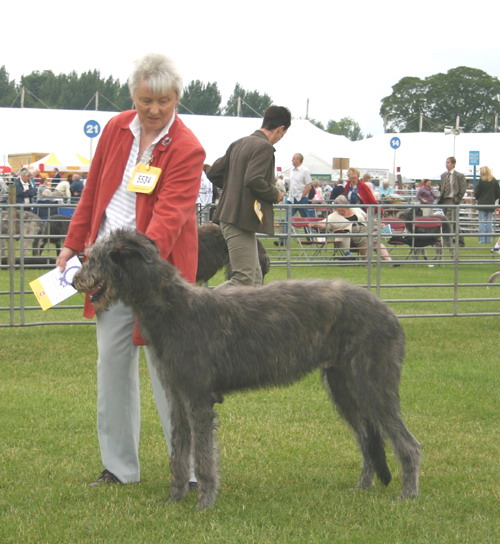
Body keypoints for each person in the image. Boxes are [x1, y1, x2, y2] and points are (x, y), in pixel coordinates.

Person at [56, 53, 205, 488]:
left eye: (163, 100)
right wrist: (71, 243)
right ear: (133, 97)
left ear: (177, 98)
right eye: (146, 100)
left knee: (171, 375)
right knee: (112, 367)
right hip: (109, 272)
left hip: (158, 277)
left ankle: (191, 470)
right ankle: (119, 469)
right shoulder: (116, 128)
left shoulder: (187, 147)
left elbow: (170, 217)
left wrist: (128, 261)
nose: (155, 109)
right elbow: (94, 195)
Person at [207, 105, 290, 287]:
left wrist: (233, 189)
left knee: (255, 279)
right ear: (280, 129)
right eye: (282, 135)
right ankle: (201, 308)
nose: (280, 138)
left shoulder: (239, 143)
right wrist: (275, 193)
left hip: (236, 218)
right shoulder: (264, 147)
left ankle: (254, 316)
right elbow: (254, 180)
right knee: (243, 279)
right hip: (239, 219)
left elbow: (213, 172)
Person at [312, 195, 397, 264]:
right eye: (337, 207)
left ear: (347, 205)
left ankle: (389, 262)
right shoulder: (333, 216)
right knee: (366, 240)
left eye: (341, 207)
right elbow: (324, 223)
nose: (339, 209)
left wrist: (378, 223)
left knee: (376, 241)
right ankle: (367, 262)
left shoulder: (356, 209)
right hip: (351, 233)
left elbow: (367, 218)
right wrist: (314, 224)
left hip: (365, 229)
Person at [438, 156, 467, 246]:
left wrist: (456, 200)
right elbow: (442, 188)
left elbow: (462, 189)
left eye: (448, 162)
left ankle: (447, 241)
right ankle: (460, 241)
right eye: (446, 162)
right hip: (444, 201)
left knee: (449, 221)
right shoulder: (443, 175)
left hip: (452, 200)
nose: (446, 164)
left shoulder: (459, 176)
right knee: (453, 221)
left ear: (453, 164)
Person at [474, 167, 499, 244]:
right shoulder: (494, 180)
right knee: (489, 222)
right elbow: (498, 192)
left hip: (481, 204)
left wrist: (478, 198)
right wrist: (493, 199)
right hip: (491, 204)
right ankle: (488, 240)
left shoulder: (481, 180)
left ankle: (482, 240)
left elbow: (476, 192)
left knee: (481, 221)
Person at [288, 153, 314, 218]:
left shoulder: (305, 171)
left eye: (294, 158)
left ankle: (311, 228)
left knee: (306, 218)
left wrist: (302, 196)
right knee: (287, 218)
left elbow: (309, 186)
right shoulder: (291, 170)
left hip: (301, 198)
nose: (292, 160)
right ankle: (286, 228)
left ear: (298, 160)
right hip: (291, 199)